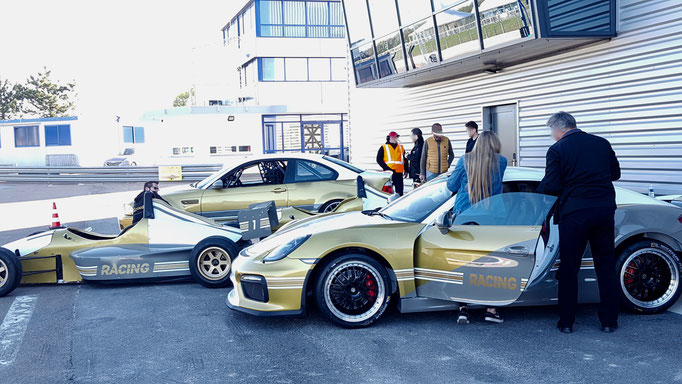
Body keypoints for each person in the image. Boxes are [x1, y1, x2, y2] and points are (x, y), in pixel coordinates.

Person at [536, 111, 621, 334]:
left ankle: (566, 322)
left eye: (552, 132)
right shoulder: (602, 143)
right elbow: (615, 173)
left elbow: (552, 186)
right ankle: (609, 322)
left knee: (569, 267)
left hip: (574, 213)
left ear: (559, 129)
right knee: (605, 265)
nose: (552, 136)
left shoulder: (557, 149)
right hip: (604, 210)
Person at [446, 131, 507, 324]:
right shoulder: (502, 161)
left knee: (463, 263)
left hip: (465, 216)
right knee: (491, 265)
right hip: (492, 218)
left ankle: (463, 309)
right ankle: (491, 309)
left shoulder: (464, 160)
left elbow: (451, 185)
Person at [376, 131, 407, 196]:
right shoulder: (384, 147)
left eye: (397, 137)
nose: (397, 138)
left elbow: (405, 159)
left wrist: (406, 170)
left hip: (399, 173)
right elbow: (378, 159)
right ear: (391, 137)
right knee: (388, 192)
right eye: (396, 137)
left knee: (400, 192)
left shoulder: (401, 147)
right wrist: (387, 169)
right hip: (388, 173)